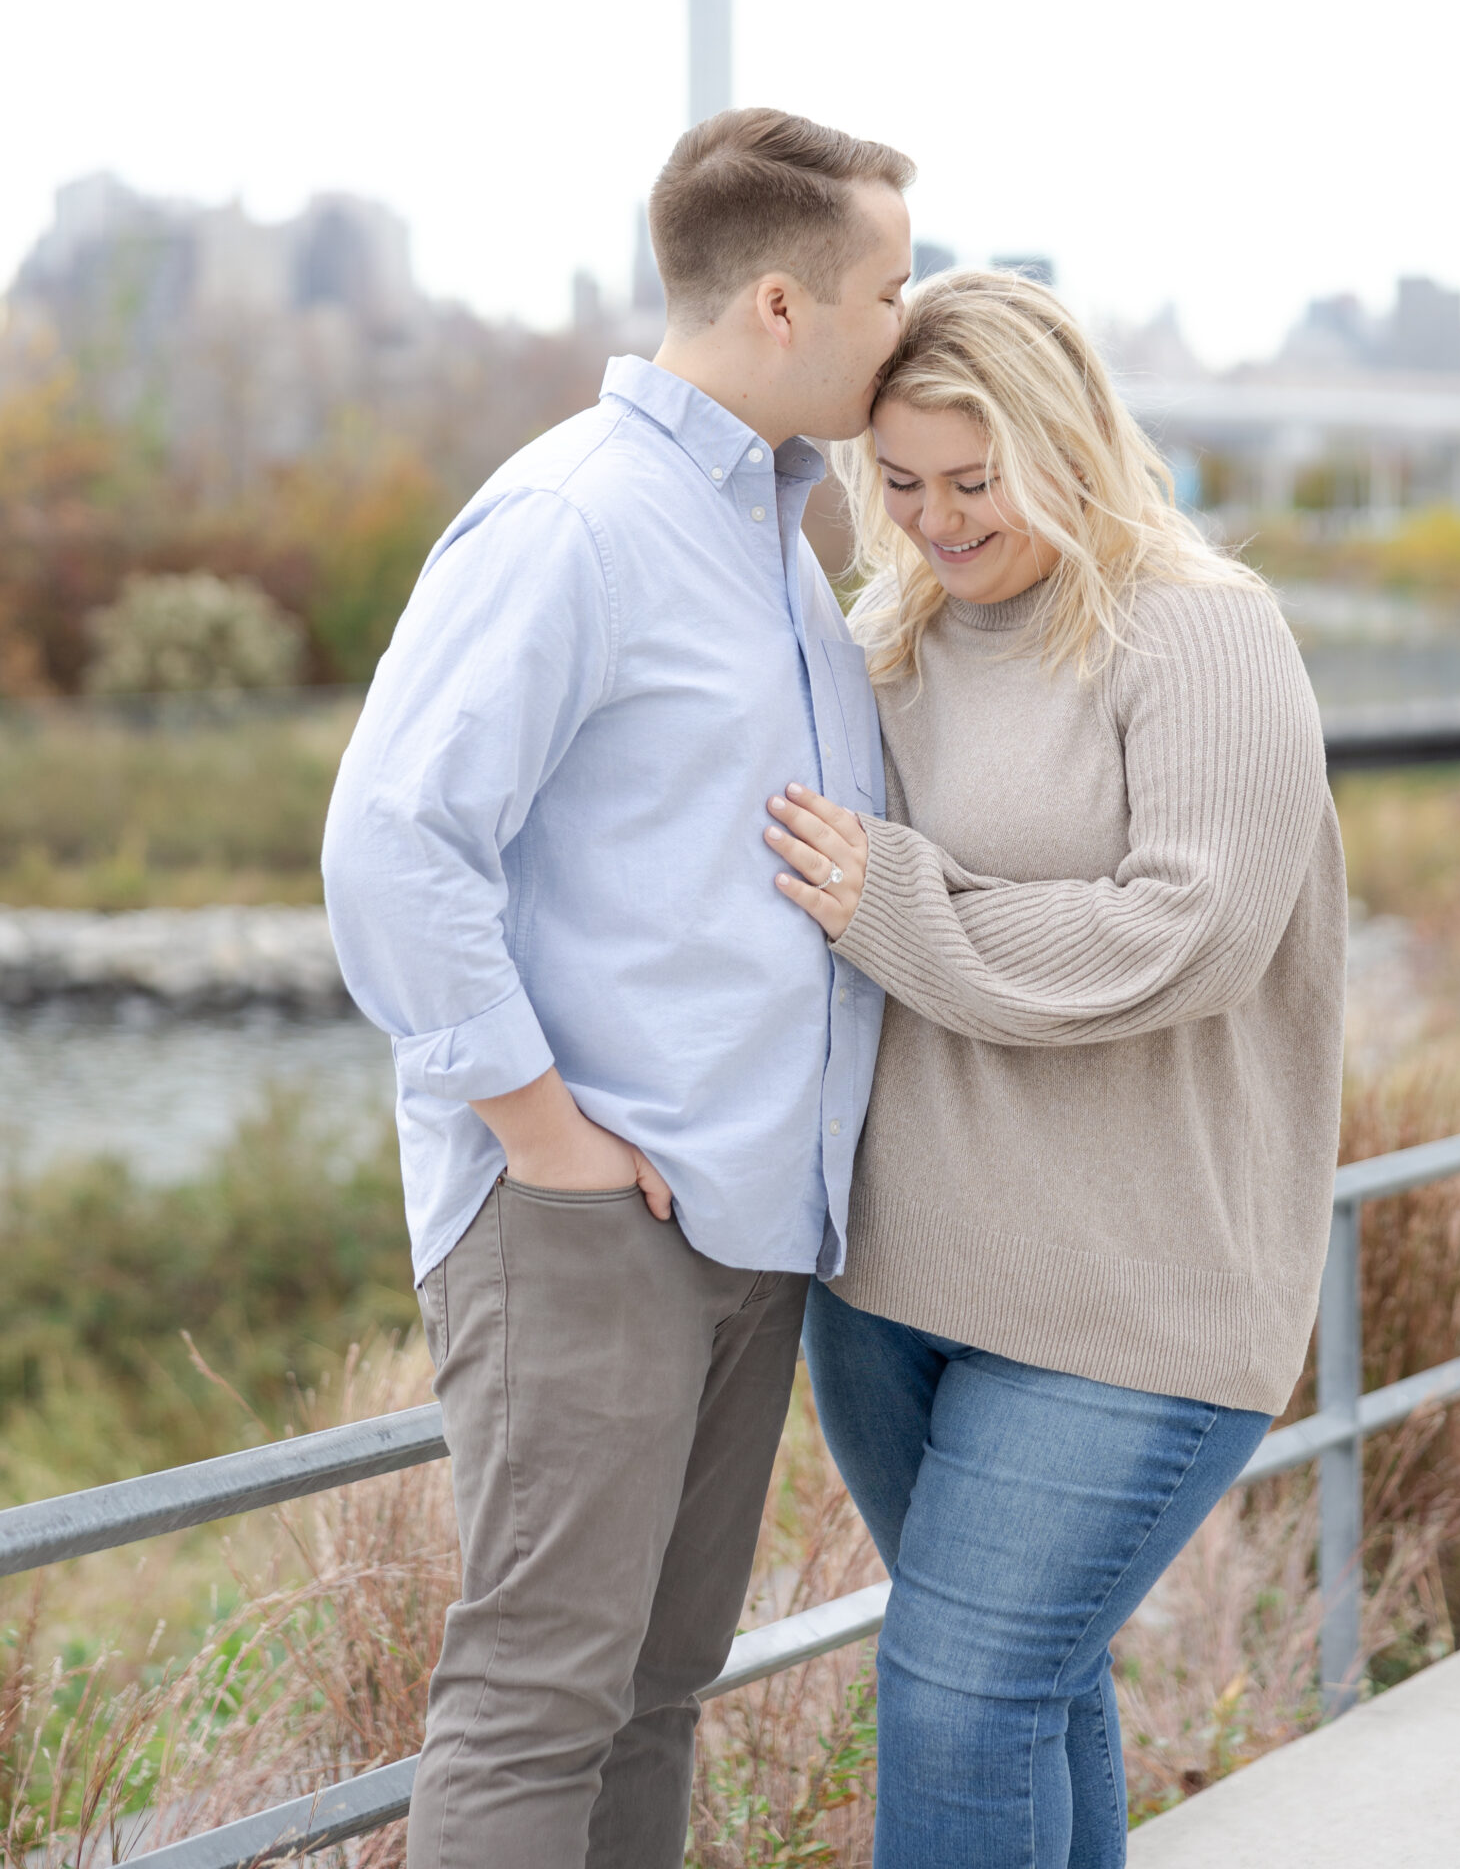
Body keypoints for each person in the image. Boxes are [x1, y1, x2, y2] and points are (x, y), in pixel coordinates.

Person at [321, 107, 915, 1869]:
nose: (912, 323)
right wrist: (543, 1132)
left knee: (660, 1689)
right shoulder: (576, 516)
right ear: (788, 305)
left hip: (743, 1215)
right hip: (592, 1208)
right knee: (539, 1696)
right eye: (890, 291)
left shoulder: (778, 541)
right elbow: (388, 844)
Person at [762, 270, 1346, 1869]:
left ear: (1073, 446)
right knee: (1024, 1689)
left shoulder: (1202, 631)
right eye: (902, 484)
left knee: (956, 1705)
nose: (940, 523)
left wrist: (899, 902)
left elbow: (1190, 933)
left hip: (1133, 1298)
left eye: (978, 481)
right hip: (890, 1287)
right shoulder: (891, 636)